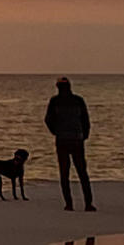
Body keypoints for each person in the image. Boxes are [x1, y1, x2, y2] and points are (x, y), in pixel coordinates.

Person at [44, 77, 94, 211]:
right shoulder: (78, 100)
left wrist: (56, 132)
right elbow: (85, 120)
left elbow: (48, 120)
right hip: (77, 138)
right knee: (82, 172)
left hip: (62, 139)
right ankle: (88, 203)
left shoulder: (55, 101)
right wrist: (84, 134)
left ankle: (69, 204)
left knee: (64, 172)